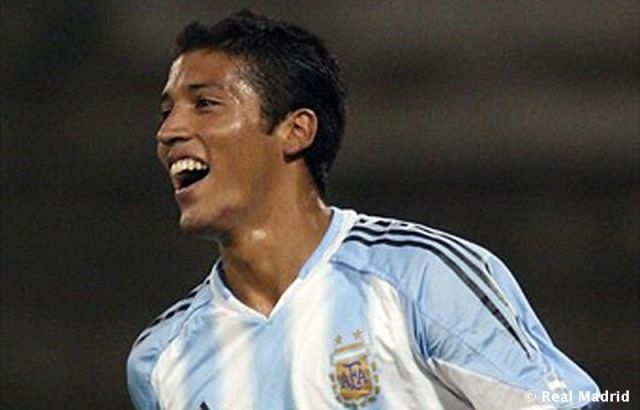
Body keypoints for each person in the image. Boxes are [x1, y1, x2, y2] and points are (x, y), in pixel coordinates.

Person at [127, 10, 600, 410]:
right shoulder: (162, 360)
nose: (168, 132)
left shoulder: (421, 280)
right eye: (166, 112)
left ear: (296, 131)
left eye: (205, 104)